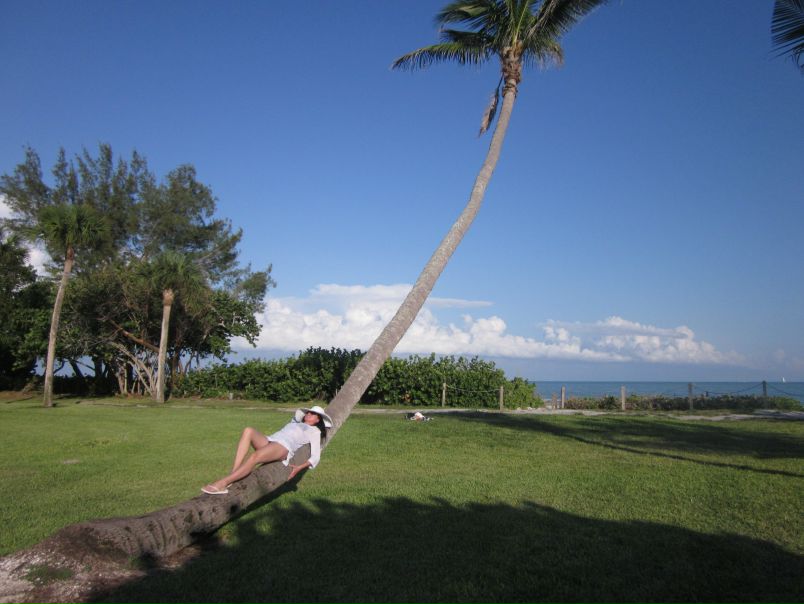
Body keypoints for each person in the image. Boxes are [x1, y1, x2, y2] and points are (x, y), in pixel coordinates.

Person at [201, 405, 333, 495]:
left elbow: (316, 456)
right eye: (308, 412)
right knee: (248, 431)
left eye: (313, 414)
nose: (309, 414)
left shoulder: (314, 431)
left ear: (318, 420)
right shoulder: (295, 422)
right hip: (271, 440)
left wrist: (299, 468)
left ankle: (223, 483)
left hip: (283, 447)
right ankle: (234, 473)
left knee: (255, 456)